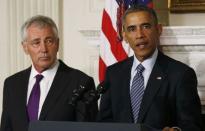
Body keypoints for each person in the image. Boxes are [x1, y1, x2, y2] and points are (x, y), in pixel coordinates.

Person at [97, 5, 203, 131]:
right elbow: (104, 122)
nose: (139, 35)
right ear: (124, 35)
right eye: (132, 29)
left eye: (146, 26)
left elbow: (193, 125)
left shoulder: (180, 74)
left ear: (159, 30)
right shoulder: (114, 73)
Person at [0, 15, 98, 131]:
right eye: (36, 42)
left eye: (49, 41)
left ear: (57, 44)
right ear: (25, 47)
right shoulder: (12, 84)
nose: (44, 49)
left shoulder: (81, 82)